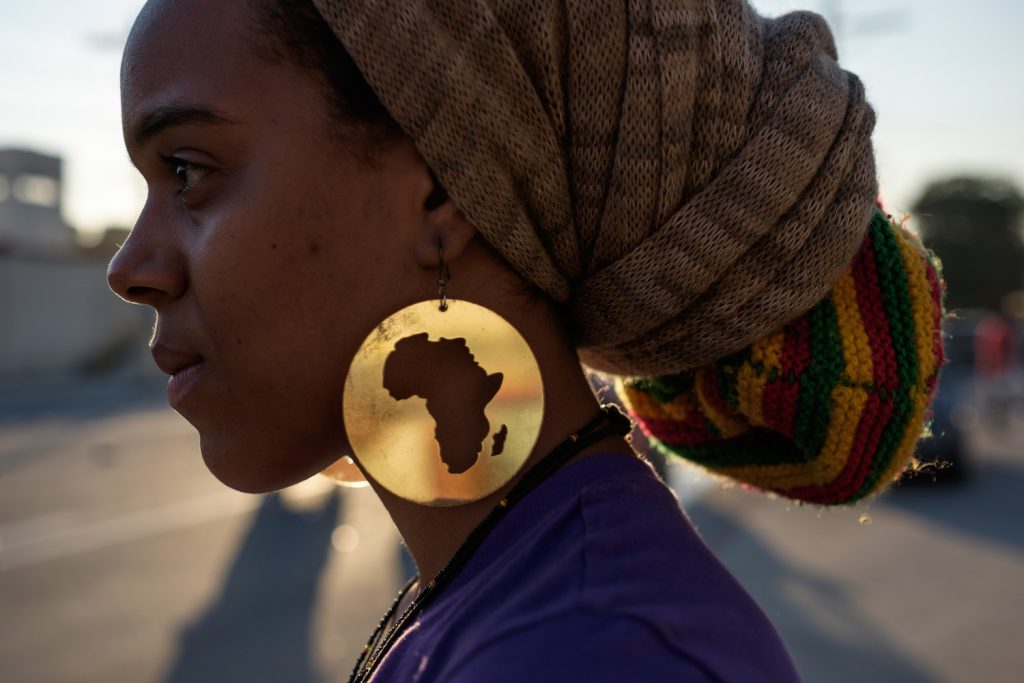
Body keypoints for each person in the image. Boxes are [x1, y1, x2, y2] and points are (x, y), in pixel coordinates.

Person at [107, 0, 944, 681]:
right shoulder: (542, 599)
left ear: (440, 190)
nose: (130, 266)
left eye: (187, 170)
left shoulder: (599, 651)